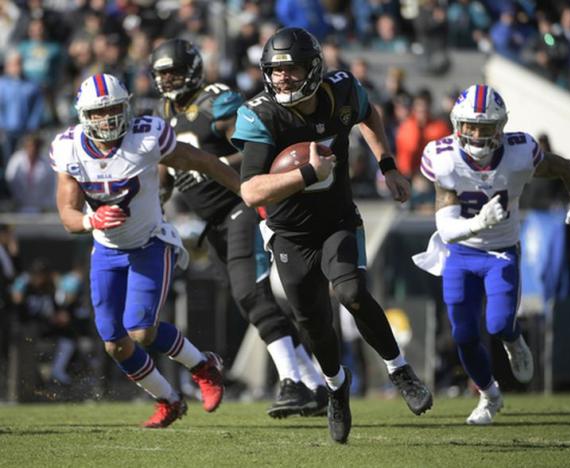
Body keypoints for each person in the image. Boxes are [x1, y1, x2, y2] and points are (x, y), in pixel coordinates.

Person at [232, 27, 433, 444]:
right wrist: (307, 174)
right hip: (288, 233)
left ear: (313, 68)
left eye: (291, 69)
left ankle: (400, 370)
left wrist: (388, 164)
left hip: (338, 219)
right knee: (313, 322)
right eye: (276, 70)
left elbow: (369, 114)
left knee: (352, 292)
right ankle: (336, 387)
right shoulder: (262, 113)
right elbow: (250, 191)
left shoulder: (341, 91)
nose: (283, 78)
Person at [149, 38, 328, 418]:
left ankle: (292, 383)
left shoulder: (215, 100)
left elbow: (253, 150)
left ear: (193, 71)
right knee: (253, 303)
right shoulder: (163, 111)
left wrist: (204, 162)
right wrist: (156, 197)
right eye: (162, 74)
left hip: (240, 206)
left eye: (175, 72)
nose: (168, 81)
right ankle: (314, 384)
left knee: (251, 294)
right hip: (212, 223)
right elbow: (165, 171)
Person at [50, 73, 241, 428]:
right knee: (115, 343)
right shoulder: (69, 147)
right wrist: (92, 221)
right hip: (106, 249)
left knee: (141, 331)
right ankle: (169, 399)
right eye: (97, 112)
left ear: (126, 108)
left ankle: (203, 366)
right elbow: (67, 215)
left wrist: (249, 193)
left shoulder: (147, 136)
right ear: (83, 115)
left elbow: (207, 163)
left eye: (112, 110)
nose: (106, 119)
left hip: (150, 242)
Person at [415, 84, 570, 425]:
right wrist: (478, 223)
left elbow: (565, 167)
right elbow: (447, 226)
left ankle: (513, 339)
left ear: (501, 127)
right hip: (460, 253)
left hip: (501, 253)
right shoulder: (444, 157)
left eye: (485, 127)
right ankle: (488, 395)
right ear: (458, 125)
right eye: (470, 126)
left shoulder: (520, 151)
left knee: (498, 323)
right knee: (463, 335)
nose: (477, 134)